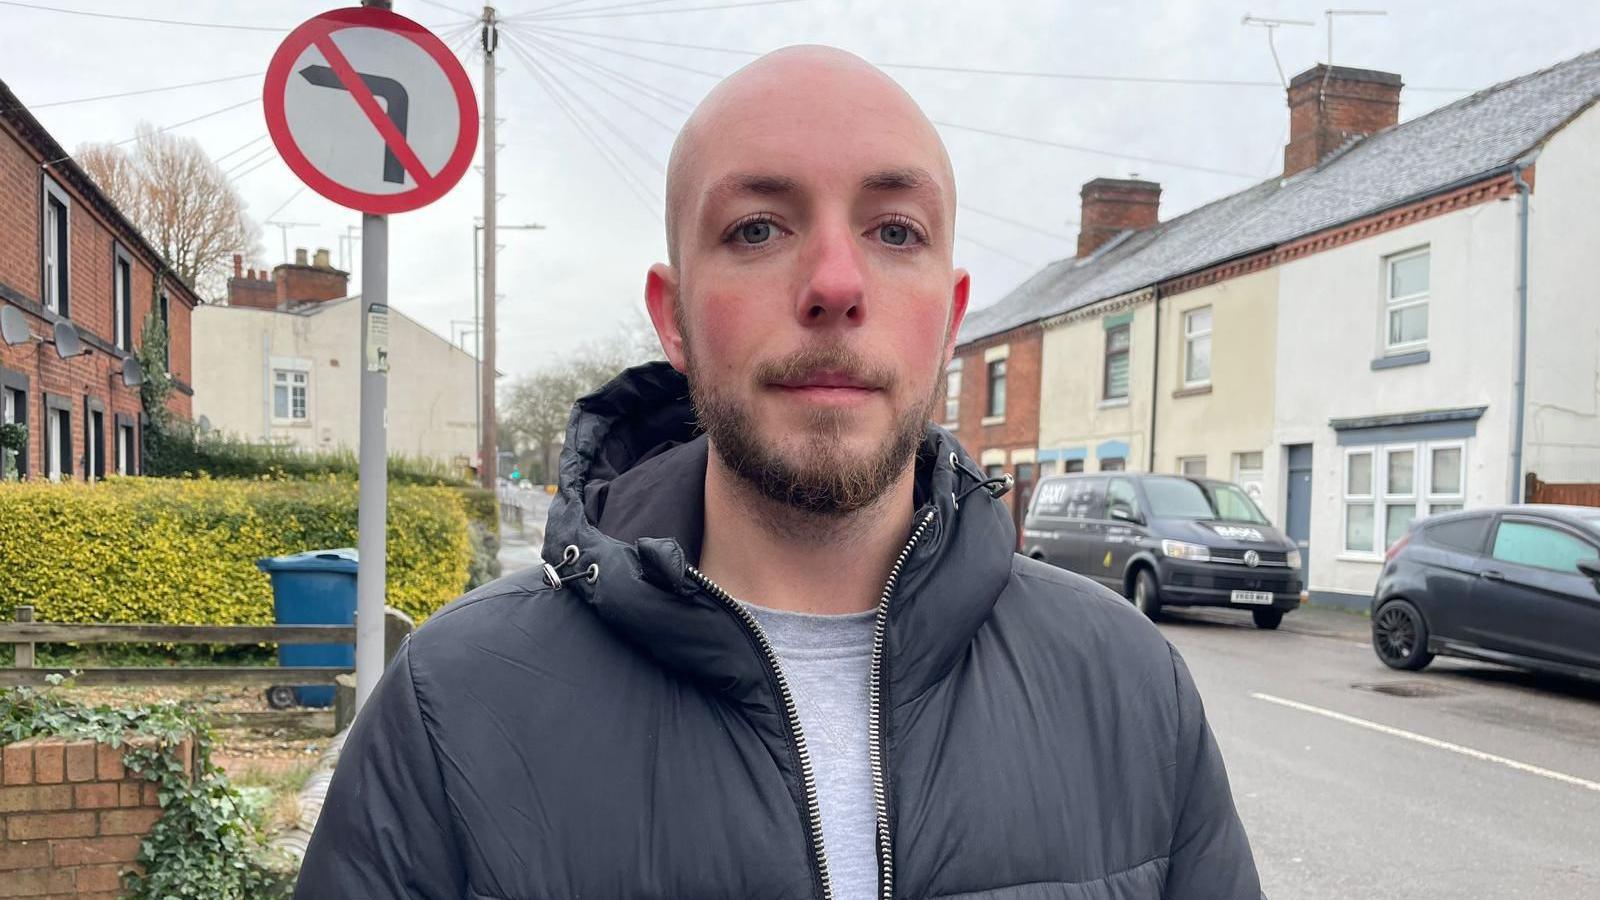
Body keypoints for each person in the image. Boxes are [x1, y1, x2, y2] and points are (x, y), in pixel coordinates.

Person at [294, 45, 1261, 900]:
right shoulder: (452, 707)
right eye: (757, 228)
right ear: (672, 317)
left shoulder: (1134, 689)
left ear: (951, 316)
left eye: (895, 232)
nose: (837, 284)